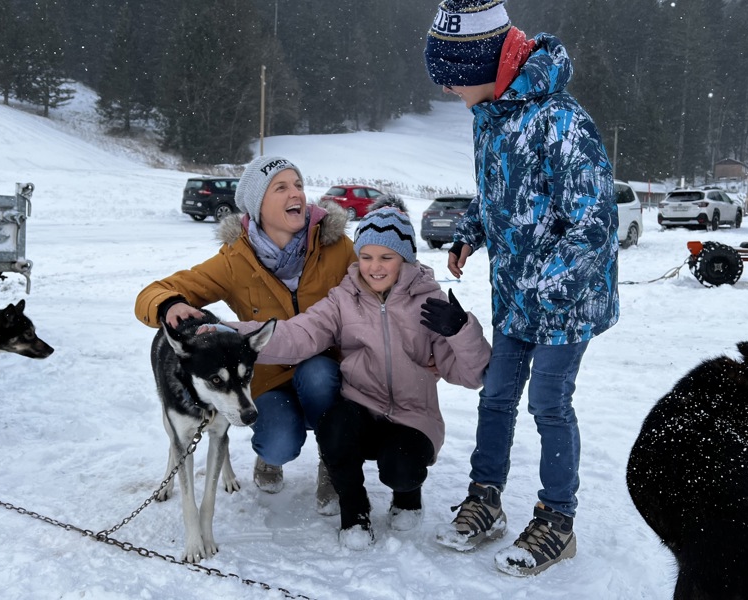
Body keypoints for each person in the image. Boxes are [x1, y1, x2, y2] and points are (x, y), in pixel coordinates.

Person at [423, 0, 620, 577]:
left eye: (452, 79)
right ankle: (485, 499)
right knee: (497, 394)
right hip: (515, 296)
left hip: (567, 300)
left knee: (548, 403)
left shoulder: (562, 121)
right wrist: (470, 230)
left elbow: (594, 225)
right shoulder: (491, 115)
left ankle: (558, 521)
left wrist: (545, 288)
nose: (448, 91)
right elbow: (500, 192)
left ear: (486, 65)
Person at [204, 199, 491, 550]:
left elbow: (472, 375)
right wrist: (234, 334)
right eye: (366, 256)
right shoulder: (344, 299)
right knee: (334, 427)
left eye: (386, 257)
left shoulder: (428, 303)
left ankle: (407, 496)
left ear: (405, 258)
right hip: (361, 409)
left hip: (413, 415)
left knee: (402, 469)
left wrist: (461, 331)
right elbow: (299, 334)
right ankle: (354, 510)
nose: (374, 267)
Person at [134, 155, 357, 514]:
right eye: (281, 187)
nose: (296, 194)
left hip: (324, 369)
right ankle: (270, 455)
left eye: (298, 185)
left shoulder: (338, 248)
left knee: (319, 374)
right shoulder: (236, 260)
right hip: (265, 377)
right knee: (278, 444)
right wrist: (168, 304)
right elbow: (155, 291)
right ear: (258, 205)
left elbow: (381, 281)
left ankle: (332, 460)